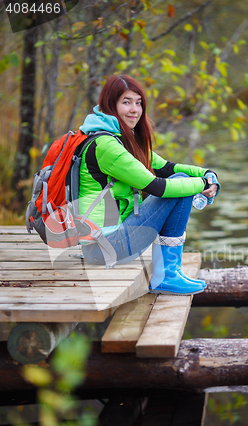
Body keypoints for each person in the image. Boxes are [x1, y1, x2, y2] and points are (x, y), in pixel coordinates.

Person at [78, 74, 220, 295]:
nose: (134, 109)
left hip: (104, 244)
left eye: (138, 102)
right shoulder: (106, 145)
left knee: (182, 180)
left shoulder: (121, 139)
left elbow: (166, 168)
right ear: (110, 105)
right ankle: (166, 275)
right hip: (103, 249)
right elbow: (157, 186)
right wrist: (199, 184)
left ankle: (170, 272)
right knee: (181, 186)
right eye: (126, 102)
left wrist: (208, 174)